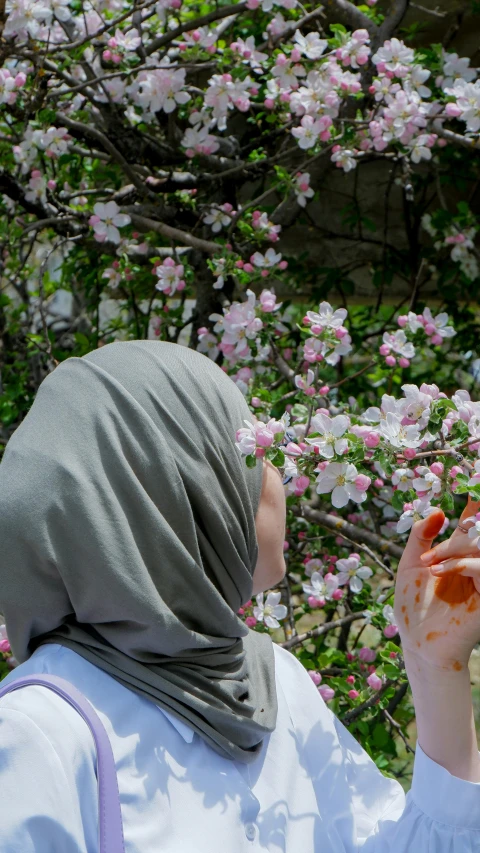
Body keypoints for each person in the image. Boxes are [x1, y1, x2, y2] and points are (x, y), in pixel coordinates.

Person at [0, 339, 479, 853]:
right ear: (180, 489)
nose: (278, 476)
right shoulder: (41, 735)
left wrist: (432, 666)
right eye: (253, 455)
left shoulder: (274, 682)